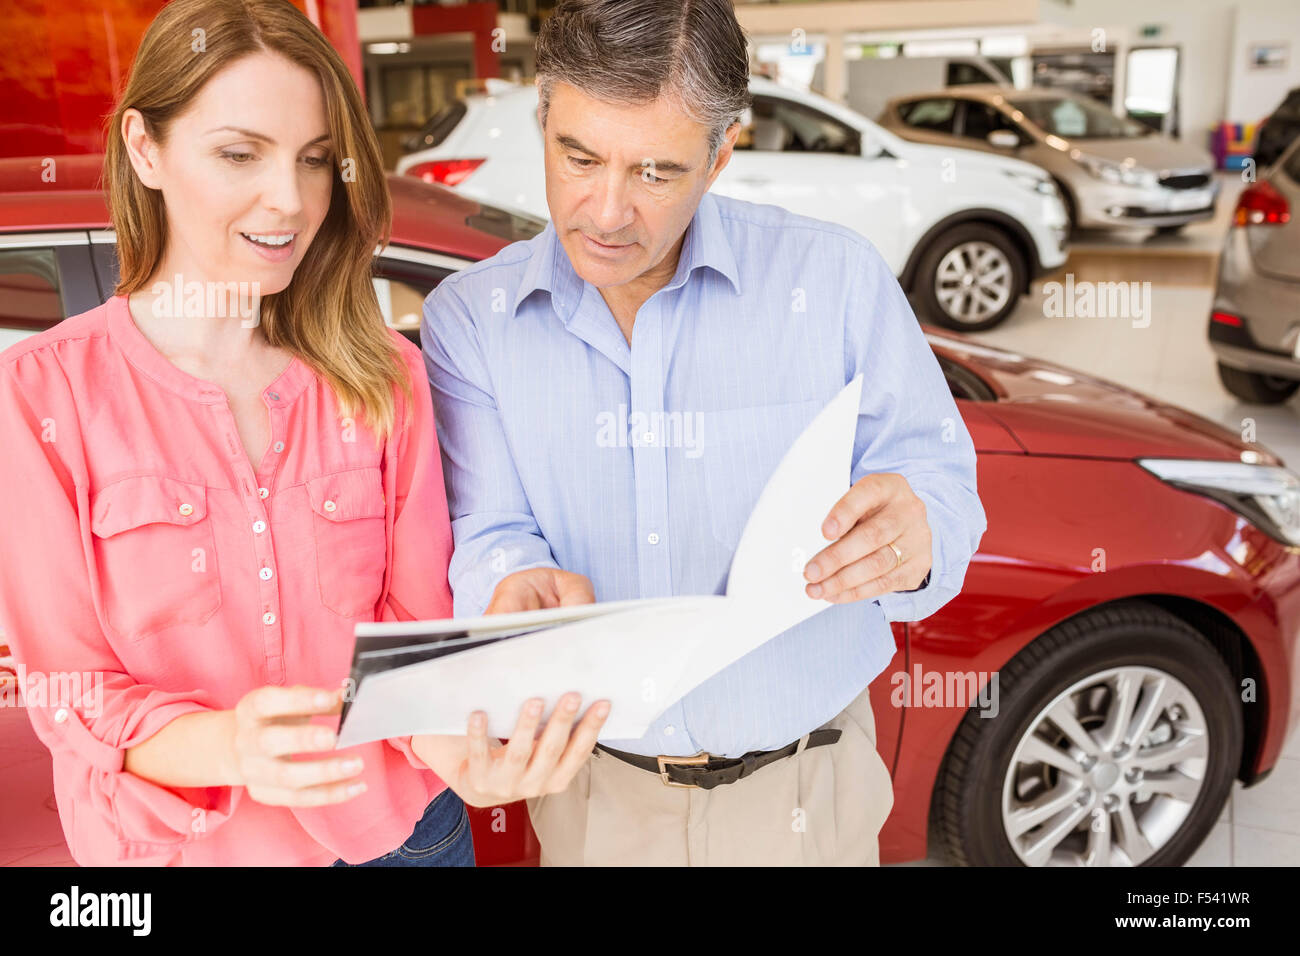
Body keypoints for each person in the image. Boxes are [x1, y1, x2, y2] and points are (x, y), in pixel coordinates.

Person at [0, 0, 605, 868]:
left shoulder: (384, 374)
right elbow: (72, 694)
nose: (288, 200)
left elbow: (413, 629)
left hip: (402, 838)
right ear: (145, 148)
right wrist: (231, 748)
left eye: (316, 161)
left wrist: (461, 753)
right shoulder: (39, 395)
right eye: (239, 153)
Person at [420, 0, 988, 866]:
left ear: (721, 155)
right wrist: (515, 588)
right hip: (597, 801)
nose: (606, 212)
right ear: (542, 121)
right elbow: (491, 532)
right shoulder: (473, 321)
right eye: (578, 157)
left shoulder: (833, 280)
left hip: (808, 791)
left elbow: (939, 484)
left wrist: (918, 539)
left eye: (656, 172)